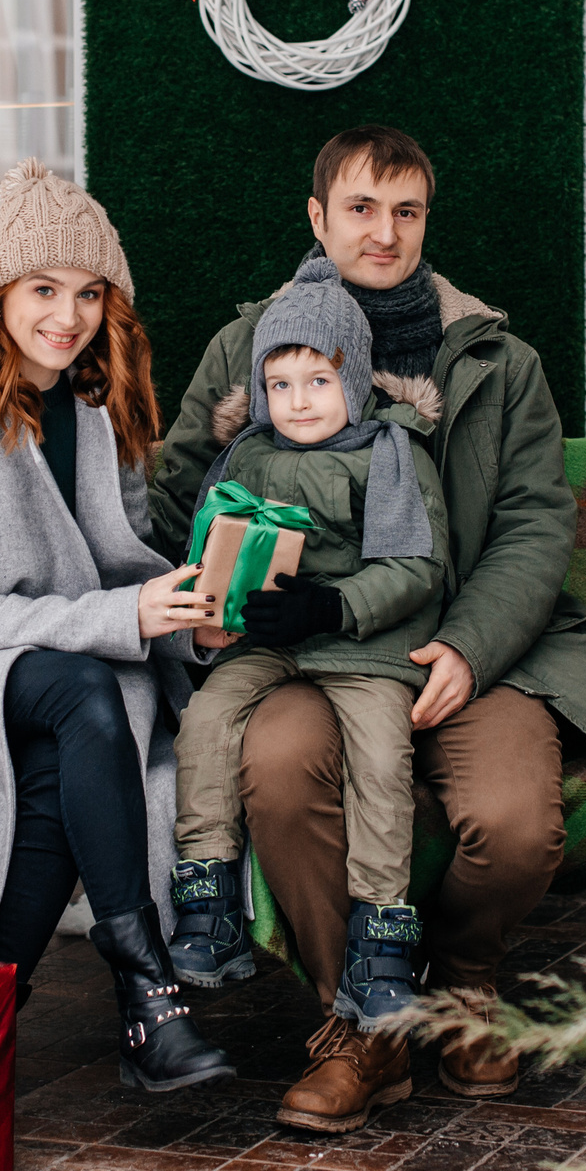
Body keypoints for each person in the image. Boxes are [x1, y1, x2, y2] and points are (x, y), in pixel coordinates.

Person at [150, 125, 586, 1134]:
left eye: (406, 211)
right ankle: (363, 1024)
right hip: (309, 654)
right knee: (276, 769)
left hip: (470, 654)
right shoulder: (247, 347)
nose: (383, 233)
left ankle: (464, 984)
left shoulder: (497, 359)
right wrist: (216, 599)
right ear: (318, 217)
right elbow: (180, 496)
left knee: (515, 824)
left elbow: (533, 526)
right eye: (360, 208)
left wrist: (471, 645)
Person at [0, 159, 236, 1094]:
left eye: (89, 293)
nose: (69, 317)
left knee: (68, 753)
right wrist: (124, 616)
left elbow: (126, 570)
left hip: (73, 679)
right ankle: (147, 990)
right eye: (44, 290)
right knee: (84, 694)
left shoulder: (95, 417)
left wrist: (189, 625)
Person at [166, 260, 453, 1025]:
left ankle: (380, 938)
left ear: (352, 381)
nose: (298, 401)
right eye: (280, 383)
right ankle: (208, 899)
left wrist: (332, 605)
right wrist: (217, 607)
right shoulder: (246, 454)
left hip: (362, 645)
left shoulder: (389, 452)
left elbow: (416, 565)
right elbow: (211, 543)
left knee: (380, 759)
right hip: (267, 639)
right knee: (206, 720)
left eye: (318, 381)